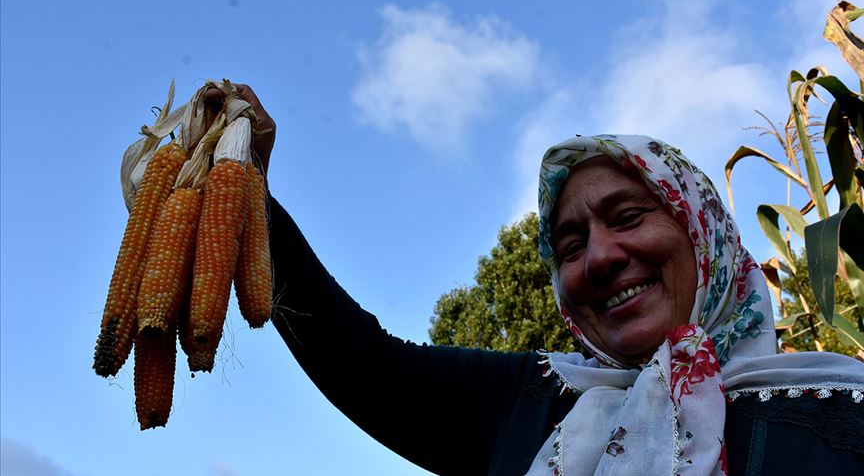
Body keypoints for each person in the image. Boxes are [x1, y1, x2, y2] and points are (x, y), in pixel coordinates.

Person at [223, 85, 864, 475]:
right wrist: (243, 196)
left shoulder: (838, 416)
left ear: (706, 234)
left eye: (629, 216)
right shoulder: (528, 404)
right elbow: (362, 364)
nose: (600, 258)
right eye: (569, 245)